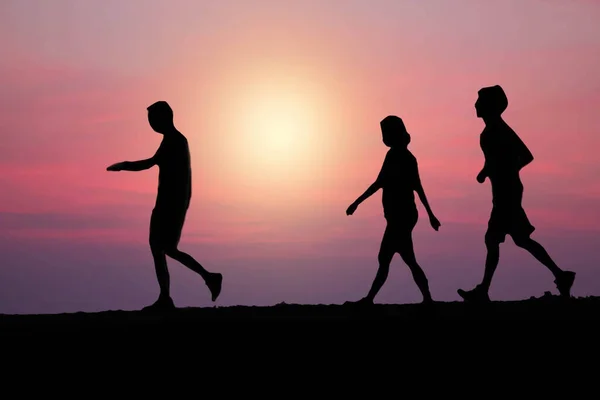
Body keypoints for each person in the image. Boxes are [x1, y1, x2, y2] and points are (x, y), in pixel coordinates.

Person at [457, 85, 575, 303]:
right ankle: (561, 275)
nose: (475, 105)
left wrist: (506, 172)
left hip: (507, 192)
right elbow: (499, 159)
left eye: (480, 101)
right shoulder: (491, 131)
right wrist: (487, 172)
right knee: (521, 239)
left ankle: (483, 291)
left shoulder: (497, 131)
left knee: (493, 239)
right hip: (505, 190)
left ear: (490, 106)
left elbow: (523, 156)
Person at [107, 101, 222, 311]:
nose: (151, 124)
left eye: (153, 120)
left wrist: (124, 165)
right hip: (167, 203)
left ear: (164, 118)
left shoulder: (175, 141)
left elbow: (151, 164)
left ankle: (203, 279)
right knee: (159, 247)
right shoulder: (171, 140)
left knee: (164, 248)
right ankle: (168, 295)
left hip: (171, 204)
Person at [345, 115, 441, 305]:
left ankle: (370, 299)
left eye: (386, 133)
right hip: (399, 216)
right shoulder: (395, 156)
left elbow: (416, 187)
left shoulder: (404, 158)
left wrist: (431, 215)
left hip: (402, 216)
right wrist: (357, 202)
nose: (384, 138)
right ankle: (426, 298)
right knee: (404, 258)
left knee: (388, 257)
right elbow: (382, 183)